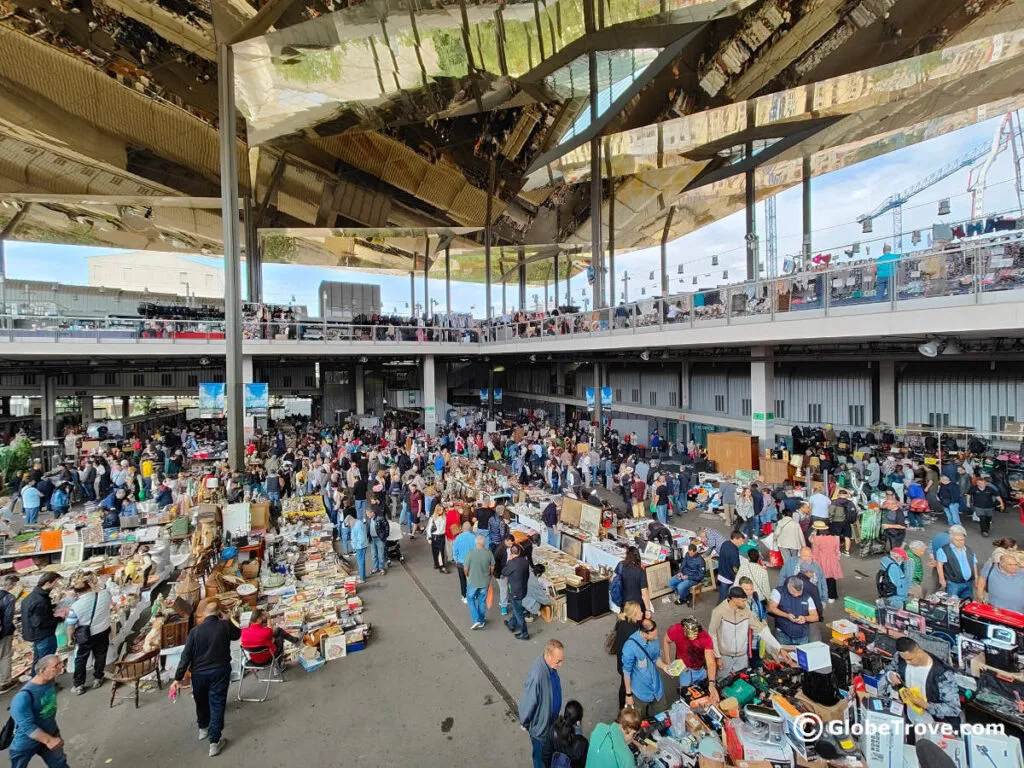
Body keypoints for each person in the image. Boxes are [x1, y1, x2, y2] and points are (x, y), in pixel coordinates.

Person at [171, 599, 241, 757]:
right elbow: (237, 635)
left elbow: (185, 657)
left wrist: (177, 678)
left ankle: (203, 729)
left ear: (204, 615)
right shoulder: (224, 625)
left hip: (199, 673)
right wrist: (229, 618)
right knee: (217, 703)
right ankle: (214, 741)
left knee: (201, 700)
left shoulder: (195, 632)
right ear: (218, 613)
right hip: (219, 671)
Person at [877, 637, 962, 733]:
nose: (907, 662)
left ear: (919, 652)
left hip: (936, 725)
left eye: (910, 659)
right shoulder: (901, 657)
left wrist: (925, 705)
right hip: (910, 718)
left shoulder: (943, 674)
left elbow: (953, 708)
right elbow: (890, 670)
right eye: (905, 660)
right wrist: (890, 676)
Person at [708, 586, 786, 678]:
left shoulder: (746, 612)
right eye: (743, 601)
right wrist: (717, 657)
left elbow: (762, 630)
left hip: (742, 657)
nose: (746, 603)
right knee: (722, 682)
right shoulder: (718, 611)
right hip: (725, 657)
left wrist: (779, 648)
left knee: (741, 683)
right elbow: (712, 634)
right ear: (734, 599)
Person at [9, 654, 68, 768]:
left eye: (60, 663)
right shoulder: (23, 697)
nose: (61, 667)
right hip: (26, 742)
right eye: (56, 665)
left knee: (60, 764)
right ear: (42, 670)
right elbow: (27, 726)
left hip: (50, 731)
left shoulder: (50, 681)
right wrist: (48, 740)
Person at [519, 640, 565, 768]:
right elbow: (528, 701)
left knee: (548, 755)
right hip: (541, 729)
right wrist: (525, 722)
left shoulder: (550, 666)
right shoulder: (537, 675)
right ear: (549, 656)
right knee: (540, 759)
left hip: (550, 723)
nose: (561, 664)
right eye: (558, 661)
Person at [65, 578, 112, 696]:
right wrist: (94, 584)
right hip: (102, 631)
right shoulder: (104, 595)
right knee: (101, 654)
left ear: (76, 592)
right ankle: (98, 678)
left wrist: (70, 639)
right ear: (90, 585)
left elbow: (70, 626)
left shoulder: (75, 606)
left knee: (81, 659)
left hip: (85, 636)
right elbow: (104, 586)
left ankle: (79, 685)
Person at [620, 618, 669, 719]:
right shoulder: (630, 647)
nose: (656, 637)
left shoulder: (654, 640)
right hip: (639, 693)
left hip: (657, 689)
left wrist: (664, 667)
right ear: (644, 633)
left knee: (663, 718)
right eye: (654, 635)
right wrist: (628, 695)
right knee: (638, 723)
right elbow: (626, 672)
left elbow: (655, 658)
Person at [663, 616, 718, 701]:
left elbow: (710, 662)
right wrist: (668, 662)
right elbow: (666, 640)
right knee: (686, 697)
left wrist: (711, 683)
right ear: (684, 629)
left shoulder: (705, 637)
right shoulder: (676, 630)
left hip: (701, 669)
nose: (692, 639)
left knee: (702, 696)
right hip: (685, 669)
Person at [21, 573, 62, 676]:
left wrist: (53, 606)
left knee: (39, 660)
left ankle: (35, 681)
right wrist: (58, 619)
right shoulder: (40, 600)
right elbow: (39, 622)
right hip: (43, 635)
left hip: (36, 635)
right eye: (56, 582)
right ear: (48, 583)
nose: (57, 585)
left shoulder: (34, 596)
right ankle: (44, 684)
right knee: (46, 662)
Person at [768, 577, 819, 645]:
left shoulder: (807, 597)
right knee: (783, 654)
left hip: (802, 636)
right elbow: (771, 608)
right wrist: (786, 615)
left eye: (799, 592)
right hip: (783, 634)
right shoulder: (778, 592)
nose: (796, 594)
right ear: (789, 586)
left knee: (801, 655)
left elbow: (815, 617)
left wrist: (805, 618)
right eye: (794, 592)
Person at [613, 602, 644, 708]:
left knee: (623, 684)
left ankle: (621, 708)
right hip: (628, 664)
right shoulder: (634, 630)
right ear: (633, 615)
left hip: (621, 661)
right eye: (639, 612)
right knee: (629, 686)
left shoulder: (623, 623)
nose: (642, 613)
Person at [542, 700, 588, 768]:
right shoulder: (582, 743)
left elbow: (545, 755)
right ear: (578, 723)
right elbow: (584, 765)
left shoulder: (554, 729)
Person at [935, 525, 978, 599]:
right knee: (952, 604)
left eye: (962, 540)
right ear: (951, 539)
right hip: (953, 584)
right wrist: (942, 580)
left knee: (967, 603)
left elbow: (974, 564)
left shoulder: (969, 550)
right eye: (957, 540)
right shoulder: (944, 550)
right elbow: (939, 565)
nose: (960, 542)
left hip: (969, 583)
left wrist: (976, 578)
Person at [464, 534, 494, 629]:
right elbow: (492, 566)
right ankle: (481, 621)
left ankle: (476, 619)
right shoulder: (489, 553)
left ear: (475, 542)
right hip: (484, 581)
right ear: (484, 542)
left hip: (473, 581)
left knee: (470, 599)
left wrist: (468, 576)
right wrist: (490, 575)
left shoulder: (470, 553)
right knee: (482, 600)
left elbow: (465, 568)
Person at [503, 544, 531, 640]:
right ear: (519, 552)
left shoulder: (512, 563)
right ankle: (511, 624)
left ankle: (524, 633)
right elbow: (527, 575)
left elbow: (504, 572)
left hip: (515, 591)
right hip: (523, 588)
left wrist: (509, 561)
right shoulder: (525, 561)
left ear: (511, 553)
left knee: (518, 612)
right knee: (517, 607)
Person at [618, 547, 653, 617]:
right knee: (638, 622)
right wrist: (648, 610)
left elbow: (613, 579)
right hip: (637, 604)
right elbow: (644, 593)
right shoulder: (640, 571)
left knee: (626, 620)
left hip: (623, 601)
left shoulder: (621, 565)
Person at [0, 575, 19, 693]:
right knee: (5, 656)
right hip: (3, 633)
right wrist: (5, 633)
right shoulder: (9, 598)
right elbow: (8, 619)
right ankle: (4, 682)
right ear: (12, 585)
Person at [717, 531, 745, 603]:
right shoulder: (733, 551)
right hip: (728, 576)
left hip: (721, 571)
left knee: (723, 593)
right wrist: (738, 575)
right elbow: (735, 568)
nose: (742, 543)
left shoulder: (725, 543)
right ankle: (721, 608)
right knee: (724, 596)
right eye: (741, 541)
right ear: (735, 539)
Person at [452, 522, 477, 602]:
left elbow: (455, 550)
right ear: (471, 529)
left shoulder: (458, 538)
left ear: (462, 529)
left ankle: (464, 596)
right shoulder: (474, 537)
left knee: (462, 580)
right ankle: (473, 594)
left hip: (460, 563)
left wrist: (456, 559)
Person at [365, 506, 388, 577]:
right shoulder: (369, 520)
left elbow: (386, 527)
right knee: (374, 555)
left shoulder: (380, 518)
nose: (367, 515)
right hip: (372, 539)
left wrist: (385, 536)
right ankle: (375, 568)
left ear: (372, 513)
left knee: (381, 555)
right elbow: (367, 529)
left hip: (379, 539)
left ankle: (381, 568)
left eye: (368, 514)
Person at [426, 506, 449, 573]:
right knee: (436, 551)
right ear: (437, 510)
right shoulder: (432, 518)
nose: (442, 511)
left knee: (441, 551)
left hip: (442, 536)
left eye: (442, 509)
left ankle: (441, 566)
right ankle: (438, 564)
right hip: (435, 536)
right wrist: (429, 538)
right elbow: (428, 528)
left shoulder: (444, 517)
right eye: (440, 510)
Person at [348, 514, 369, 582]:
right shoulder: (356, 523)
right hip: (360, 546)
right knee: (361, 561)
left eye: (349, 524)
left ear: (351, 521)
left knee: (360, 562)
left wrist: (357, 546)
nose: (349, 526)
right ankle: (362, 575)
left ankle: (362, 578)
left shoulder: (358, 525)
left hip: (360, 546)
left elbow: (361, 537)